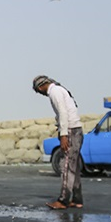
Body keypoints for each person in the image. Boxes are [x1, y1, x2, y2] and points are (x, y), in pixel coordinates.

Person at [33, 75, 83, 209]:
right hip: (76, 129)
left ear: (40, 87)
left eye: (38, 91)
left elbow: (63, 113)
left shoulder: (54, 92)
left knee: (66, 166)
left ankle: (63, 200)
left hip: (71, 131)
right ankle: (77, 199)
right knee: (74, 167)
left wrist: (64, 134)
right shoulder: (60, 90)